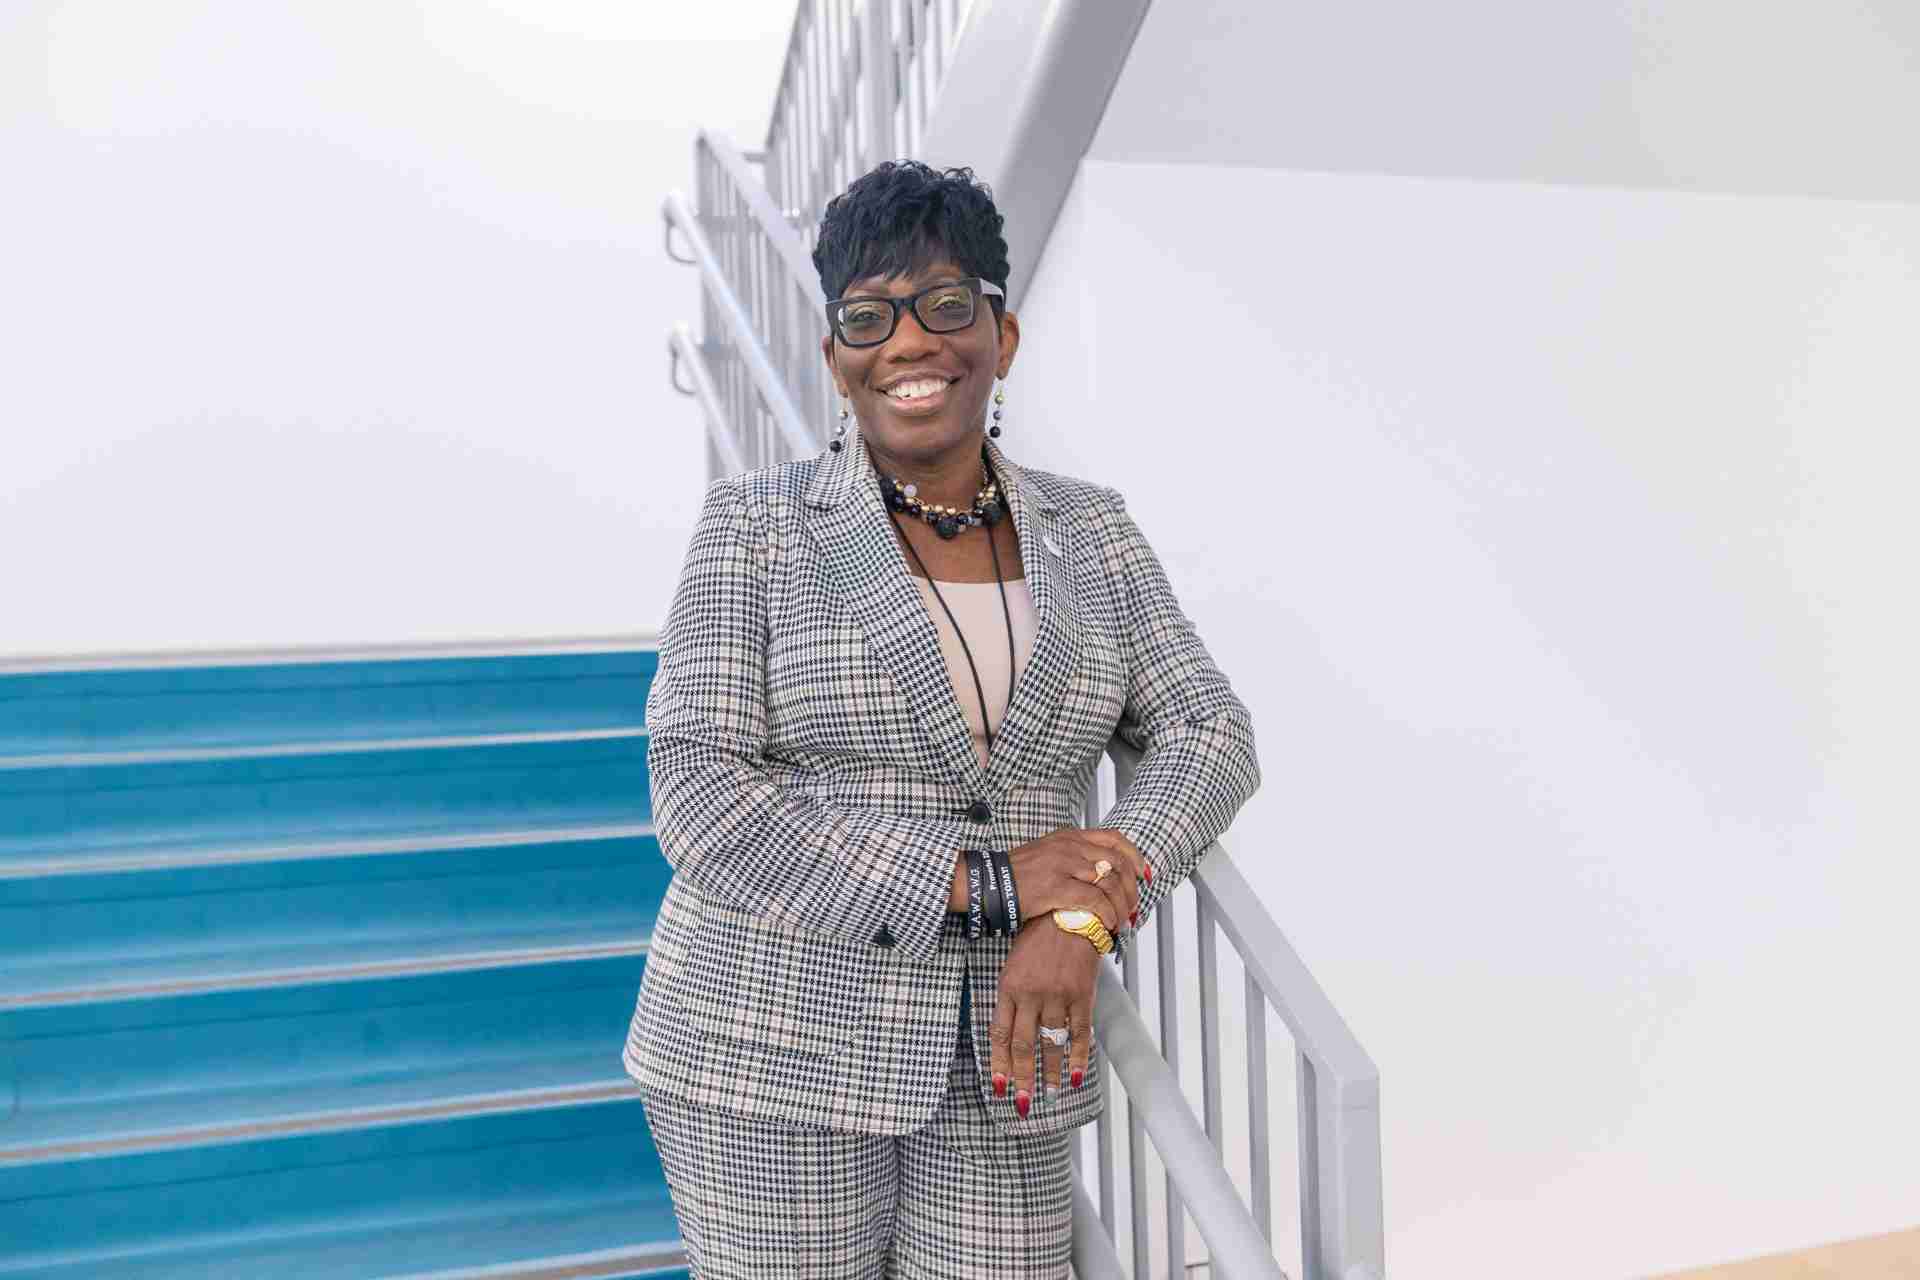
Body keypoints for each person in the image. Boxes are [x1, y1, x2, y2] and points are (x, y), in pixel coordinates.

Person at [622, 159, 1259, 1278]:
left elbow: (1209, 731)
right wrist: (994, 884)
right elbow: (702, 797)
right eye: (869, 316)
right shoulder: (756, 527)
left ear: (1001, 335)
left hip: (1013, 1052)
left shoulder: (1092, 530)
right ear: (836, 357)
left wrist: (1082, 916)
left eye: (945, 304)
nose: (908, 341)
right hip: (771, 1043)